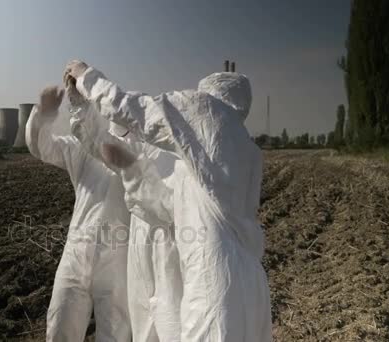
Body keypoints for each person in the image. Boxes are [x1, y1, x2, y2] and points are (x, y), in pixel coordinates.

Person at [64, 61, 272, 341]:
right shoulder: (231, 153)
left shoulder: (207, 114)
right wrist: (81, 110)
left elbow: (133, 108)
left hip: (212, 274)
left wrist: (86, 77)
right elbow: (166, 204)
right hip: (248, 281)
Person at [66, 85, 182, 342]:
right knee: (141, 327)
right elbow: (98, 142)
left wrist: (131, 172)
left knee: (167, 325)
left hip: (165, 256)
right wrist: (79, 107)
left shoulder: (173, 152)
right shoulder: (139, 146)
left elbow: (165, 204)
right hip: (139, 254)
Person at [25, 86, 131, 342]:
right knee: (61, 325)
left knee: (114, 333)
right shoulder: (82, 148)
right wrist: (43, 115)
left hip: (120, 259)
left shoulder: (139, 152)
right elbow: (43, 148)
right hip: (77, 250)